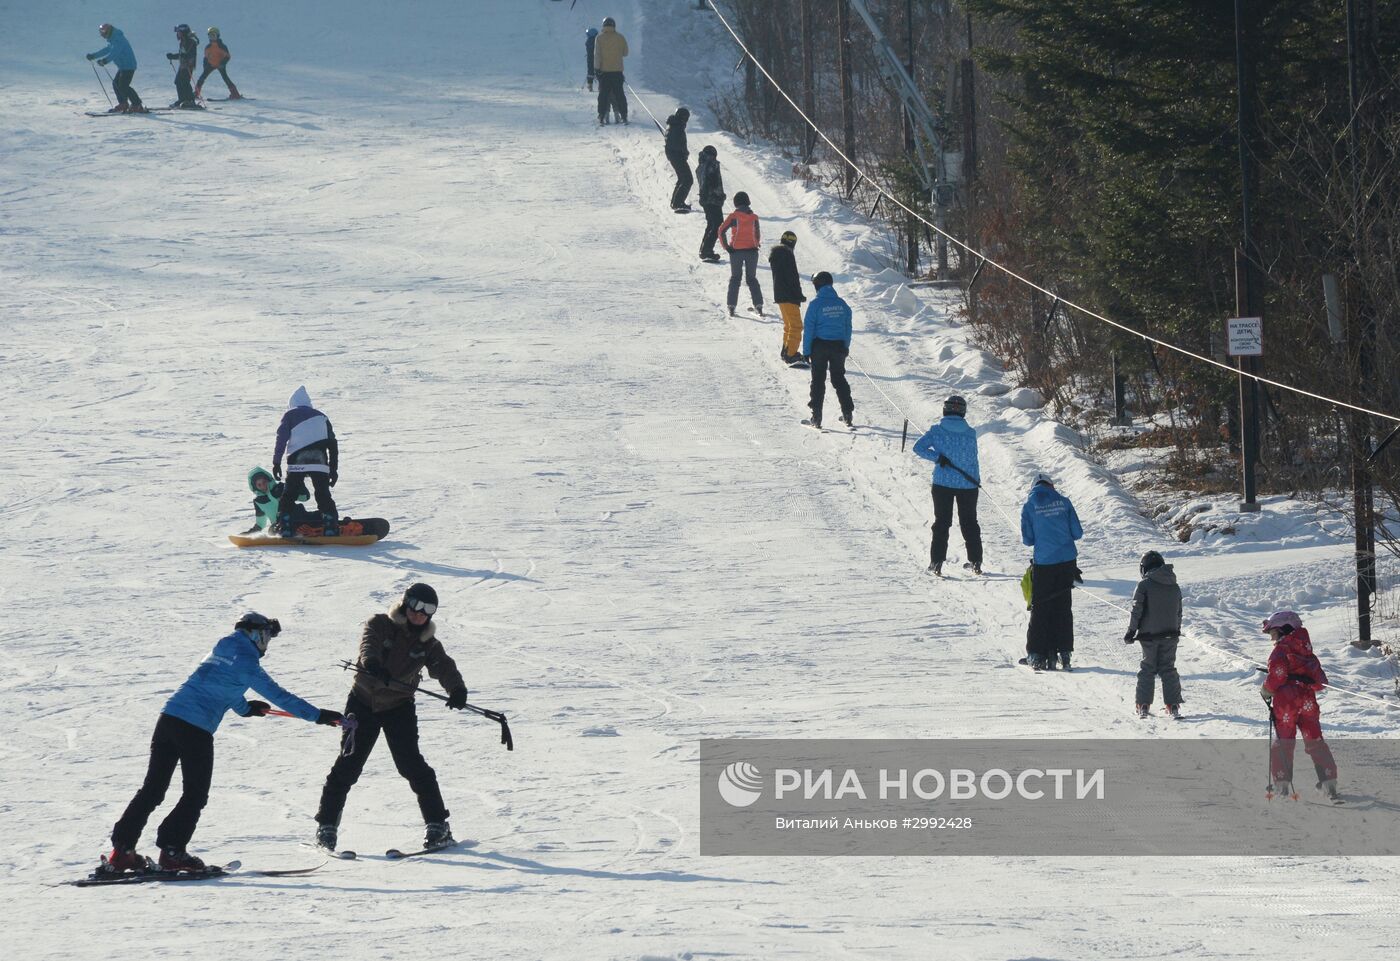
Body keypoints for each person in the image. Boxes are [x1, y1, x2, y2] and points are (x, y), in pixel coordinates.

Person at [104, 613, 343, 874]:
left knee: (152, 789)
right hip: (194, 729)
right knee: (195, 794)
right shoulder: (247, 662)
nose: (267, 643)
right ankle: (172, 851)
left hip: (169, 719)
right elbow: (280, 696)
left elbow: (219, 685)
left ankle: (121, 852)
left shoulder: (223, 648)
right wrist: (318, 715)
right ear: (256, 634)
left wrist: (245, 708)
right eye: (266, 636)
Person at [314, 584, 469, 852]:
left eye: (428, 610)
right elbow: (368, 645)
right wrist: (372, 665)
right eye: (416, 607)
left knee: (411, 765)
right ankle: (326, 827)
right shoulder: (381, 623)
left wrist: (456, 689)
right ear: (405, 604)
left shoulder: (428, 644)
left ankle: (438, 826)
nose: (420, 614)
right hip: (363, 703)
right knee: (348, 766)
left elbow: (443, 666)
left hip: (399, 707)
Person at [1260, 611, 1339, 801]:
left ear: (1283, 630)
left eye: (1273, 633)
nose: (1272, 638)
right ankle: (1329, 782)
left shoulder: (1280, 650)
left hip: (1286, 703)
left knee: (1284, 742)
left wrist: (1266, 689)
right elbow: (1320, 681)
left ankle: (1282, 785)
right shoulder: (1306, 651)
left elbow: (1277, 675)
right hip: (1308, 702)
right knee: (1315, 740)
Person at [912, 396, 983, 576]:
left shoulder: (936, 431)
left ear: (945, 410)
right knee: (970, 523)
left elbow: (918, 448)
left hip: (943, 484)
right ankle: (976, 561)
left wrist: (937, 457)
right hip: (969, 484)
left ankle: (936, 562)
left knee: (942, 522)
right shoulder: (971, 433)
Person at [1020, 473, 1083, 671]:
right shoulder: (1064, 502)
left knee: (1040, 609)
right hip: (1067, 561)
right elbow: (1077, 533)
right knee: (1063, 608)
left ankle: (1037, 654)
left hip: (1045, 563)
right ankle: (1064, 652)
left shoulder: (1029, 506)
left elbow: (1028, 539)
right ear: (1051, 486)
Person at [272, 386, 339, 536]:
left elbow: (281, 439)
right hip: (320, 463)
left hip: (297, 463)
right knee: (323, 495)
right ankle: (330, 525)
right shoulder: (322, 417)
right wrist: (333, 469)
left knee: (289, 495)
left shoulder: (290, 415)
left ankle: (285, 526)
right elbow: (332, 444)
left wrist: (276, 462)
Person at [1124, 550, 1183, 717]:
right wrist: (1177, 630)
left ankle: (1143, 704)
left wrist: (1131, 631)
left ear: (1144, 568)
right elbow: (1179, 611)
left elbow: (1137, 611)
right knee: (1168, 668)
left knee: (1148, 668)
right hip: (1171, 634)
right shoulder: (1175, 586)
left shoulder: (1144, 585)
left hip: (1148, 635)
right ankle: (1173, 705)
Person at [801, 272, 855, 429]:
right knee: (839, 379)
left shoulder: (815, 305)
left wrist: (806, 351)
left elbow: (809, 329)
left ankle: (816, 417)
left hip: (819, 347)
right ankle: (847, 414)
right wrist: (845, 346)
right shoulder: (842, 304)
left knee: (818, 381)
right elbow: (848, 328)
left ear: (817, 286)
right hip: (838, 346)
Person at [718, 191, 763, 317]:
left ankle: (731, 306)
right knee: (752, 278)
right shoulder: (754, 217)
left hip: (736, 251)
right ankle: (758, 305)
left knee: (735, 278)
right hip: (752, 251)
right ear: (748, 202)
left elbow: (721, 231)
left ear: (736, 203)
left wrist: (726, 247)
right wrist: (756, 243)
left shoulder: (733, 216)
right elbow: (757, 233)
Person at [86, 23, 146, 114]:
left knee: (123, 86)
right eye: (101, 32)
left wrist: (105, 61)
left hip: (128, 66)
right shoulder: (113, 39)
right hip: (123, 67)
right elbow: (107, 50)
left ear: (108, 31)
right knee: (116, 84)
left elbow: (115, 52)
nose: (102, 35)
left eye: (103, 32)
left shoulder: (118, 39)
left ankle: (137, 105)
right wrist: (94, 56)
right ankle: (123, 103)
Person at [768, 231, 806, 365]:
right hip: (789, 295)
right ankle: (791, 354)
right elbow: (792, 277)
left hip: (780, 295)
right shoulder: (788, 255)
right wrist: (799, 294)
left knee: (788, 325)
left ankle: (786, 350)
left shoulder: (776, 255)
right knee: (796, 326)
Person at [243, 466, 315, 534]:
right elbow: (260, 524)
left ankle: (321, 526)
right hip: (279, 526)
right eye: (259, 485)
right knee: (271, 530)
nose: (263, 486)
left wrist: (300, 483)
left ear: (268, 480)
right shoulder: (258, 501)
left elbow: (304, 497)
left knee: (314, 516)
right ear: (255, 487)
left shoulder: (280, 488)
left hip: (296, 517)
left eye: (264, 482)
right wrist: (249, 534)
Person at [594, 17, 628, 125]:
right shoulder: (620, 37)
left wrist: (597, 69)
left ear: (603, 25)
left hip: (604, 72)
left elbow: (597, 55)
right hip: (617, 72)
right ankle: (624, 116)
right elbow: (625, 53)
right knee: (620, 94)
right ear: (614, 25)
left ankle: (602, 116)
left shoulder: (599, 38)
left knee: (603, 95)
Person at [696, 145, 725, 263]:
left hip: (705, 199)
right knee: (718, 224)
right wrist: (720, 195)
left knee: (711, 224)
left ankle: (705, 250)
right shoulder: (712, 164)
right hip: (713, 199)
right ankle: (706, 250)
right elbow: (714, 183)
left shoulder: (700, 166)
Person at [194, 26, 240, 101]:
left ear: (217, 36)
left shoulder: (222, 46)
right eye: (210, 36)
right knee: (201, 78)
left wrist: (222, 63)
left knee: (225, 78)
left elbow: (227, 56)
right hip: (210, 64)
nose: (212, 38)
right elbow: (206, 57)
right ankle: (196, 93)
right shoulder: (208, 47)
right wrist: (205, 65)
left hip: (220, 65)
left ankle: (235, 93)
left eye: (213, 36)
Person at [665, 107, 693, 212]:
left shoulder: (674, 125)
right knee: (688, 179)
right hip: (677, 156)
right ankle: (678, 203)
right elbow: (677, 144)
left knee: (682, 178)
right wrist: (684, 152)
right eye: (685, 118)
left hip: (675, 155)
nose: (686, 120)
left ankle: (675, 202)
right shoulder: (676, 127)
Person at [166, 24, 199, 108]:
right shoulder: (183, 41)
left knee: (184, 82)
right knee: (178, 81)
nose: (177, 34)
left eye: (179, 32)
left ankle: (190, 100)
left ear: (183, 32)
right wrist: (172, 56)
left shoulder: (191, 42)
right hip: (183, 65)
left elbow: (191, 54)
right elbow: (182, 54)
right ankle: (182, 99)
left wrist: (186, 57)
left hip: (188, 65)